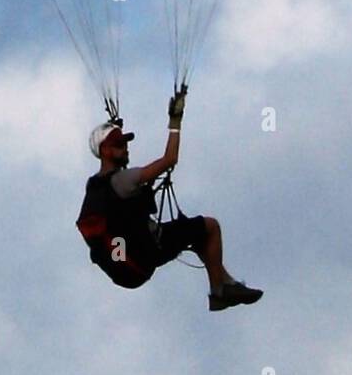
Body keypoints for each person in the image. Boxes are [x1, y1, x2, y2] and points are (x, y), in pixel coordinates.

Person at [76, 87, 263, 311]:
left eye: (125, 143)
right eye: (119, 144)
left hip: (124, 266)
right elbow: (169, 159)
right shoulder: (124, 180)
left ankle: (226, 283)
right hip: (144, 255)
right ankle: (219, 292)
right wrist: (175, 121)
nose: (125, 147)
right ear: (104, 150)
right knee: (210, 227)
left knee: (196, 236)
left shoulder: (96, 185)